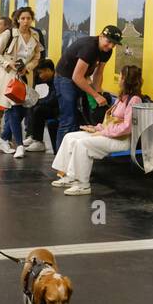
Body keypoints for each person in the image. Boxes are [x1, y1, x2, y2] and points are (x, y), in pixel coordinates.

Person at [50, 64, 142, 195]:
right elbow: (110, 122)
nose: (119, 80)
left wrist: (102, 132)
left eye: (121, 77)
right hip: (109, 135)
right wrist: (95, 128)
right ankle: (69, 176)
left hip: (121, 140)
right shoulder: (122, 98)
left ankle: (83, 184)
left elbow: (127, 127)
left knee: (82, 144)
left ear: (126, 80)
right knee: (70, 137)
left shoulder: (134, 100)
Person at [53, 25, 122, 153]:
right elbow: (76, 77)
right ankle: (60, 158)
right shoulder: (89, 47)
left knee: (80, 117)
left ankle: (73, 153)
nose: (111, 46)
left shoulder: (107, 51)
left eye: (114, 44)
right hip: (65, 78)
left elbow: (98, 73)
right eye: (109, 42)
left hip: (80, 78)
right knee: (68, 119)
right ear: (101, 36)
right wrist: (95, 96)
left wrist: (98, 93)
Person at [0, 6, 42, 159]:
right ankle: (19, 145)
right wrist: (8, 64)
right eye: (23, 18)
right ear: (18, 19)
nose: (26, 21)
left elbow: (37, 56)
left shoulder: (35, 35)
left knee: (22, 110)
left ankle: (4, 138)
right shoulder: (9, 34)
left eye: (28, 18)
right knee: (13, 109)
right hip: (8, 77)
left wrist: (28, 67)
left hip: (25, 77)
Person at [22, 58, 59, 152]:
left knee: (38, 110)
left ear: (48, 70)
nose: (40, 76)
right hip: (55, 106)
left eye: (41, 73)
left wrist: (38, 102)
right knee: (33, 106)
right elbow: (50, 97)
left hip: (60, 109)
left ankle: (38, 141)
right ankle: (33, 136)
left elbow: (54, 100)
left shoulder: (57, 79)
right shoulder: (51, 79)